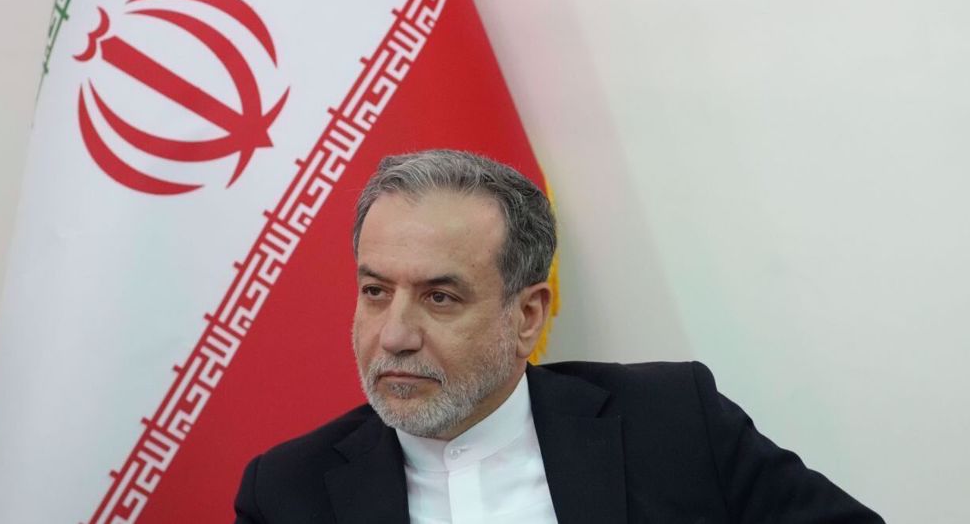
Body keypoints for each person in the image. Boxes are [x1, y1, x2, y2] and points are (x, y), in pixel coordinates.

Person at [233, 149, 883, 523]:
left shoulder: (673, 423)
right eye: (375, 291)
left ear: (528, 316)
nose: (395, 334)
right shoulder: (288, 491)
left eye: (440, 297)